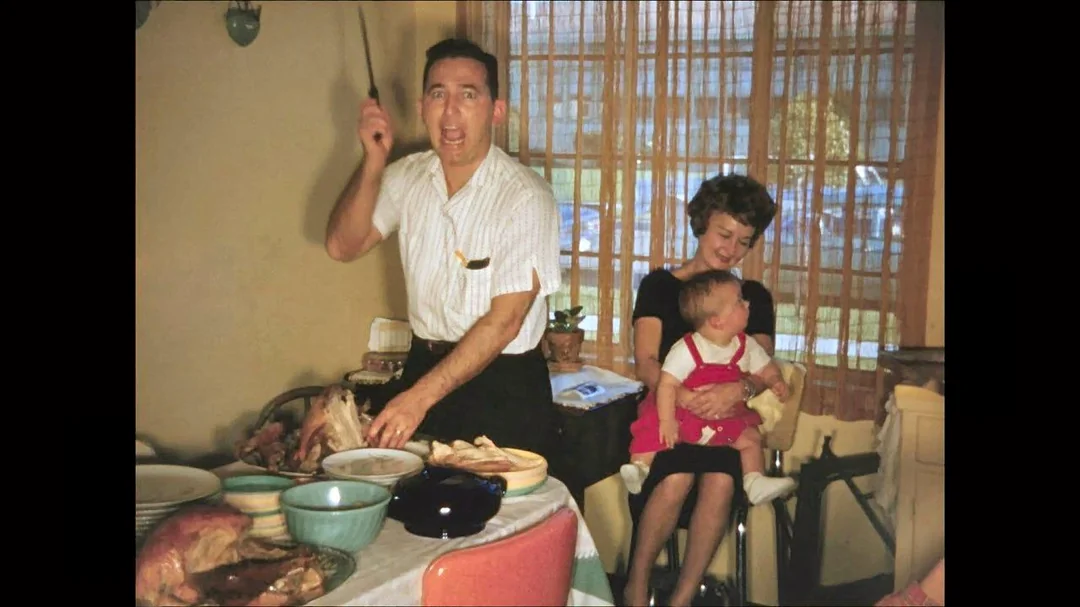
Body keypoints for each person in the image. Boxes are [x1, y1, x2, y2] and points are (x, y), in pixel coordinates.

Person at [324, 38, 562, 457]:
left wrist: (417, 399)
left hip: (503, 388)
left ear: (496, 110)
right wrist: (374, 162)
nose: (450, 112)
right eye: (438, 95)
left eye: (468, 95)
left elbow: (505, 322)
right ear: (422, 107)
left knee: (501, 500)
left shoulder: (526, 196)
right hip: (424, 367)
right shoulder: (408, 176)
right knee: (415, 495)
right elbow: (343, 246)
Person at [623, 173, 779, 607]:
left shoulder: (751, 298)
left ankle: (683, 597)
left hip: (726, 423)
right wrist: (684, 397)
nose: (731, 249)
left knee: (721, 479)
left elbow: (761, 365)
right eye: (724, 234)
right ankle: (636, 586)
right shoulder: (660, 287)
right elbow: (646, 362)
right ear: (702, 223)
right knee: (675, 477)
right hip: (667, 416)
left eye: (743, 241)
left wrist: (738, 390)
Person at [620, 269, 797, 506]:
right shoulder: (687, 348)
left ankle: (754, 481)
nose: (747, 304)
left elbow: (765, 368)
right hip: (683, 413)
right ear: (716, 321)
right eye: (739, 301)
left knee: (751, 437)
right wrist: (667, 420)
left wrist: (775, 381)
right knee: (653, 429)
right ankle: (640, 467)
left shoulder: (747, 346)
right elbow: (667, 385)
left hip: (722, 416)